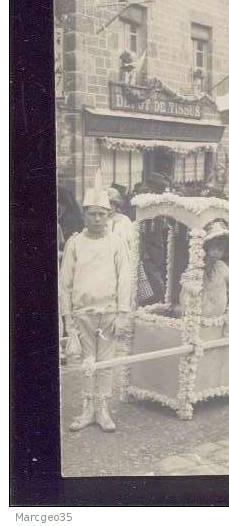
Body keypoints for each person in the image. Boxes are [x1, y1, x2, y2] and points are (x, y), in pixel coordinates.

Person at [59, 181, 131, 432]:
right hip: (83, 315)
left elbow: (125, 280)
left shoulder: (117, 243)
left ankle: (103, 409)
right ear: (85, 215)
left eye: (103, 214)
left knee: (106, 362)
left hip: (109, 313)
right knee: (87, 362)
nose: (98, 218)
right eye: (93, 213)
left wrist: (122, 314)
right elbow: (64, 283)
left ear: (109, 215)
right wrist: (67, 320)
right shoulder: (75, 243)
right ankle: (88, 409)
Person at [197, 220, 229, 318]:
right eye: (213, 249)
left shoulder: (222, 267)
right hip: (202, 308)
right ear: (207, 248)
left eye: (220, 250)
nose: (216, 252)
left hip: (218, 309)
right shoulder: (199, 265)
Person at [107, 187, 134, 254]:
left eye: (112, 203)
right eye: (107, 204)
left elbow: (131, 241)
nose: (109, 207)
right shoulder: (102, 221)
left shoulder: (124, 220)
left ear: (116, 204)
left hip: (122, 254)